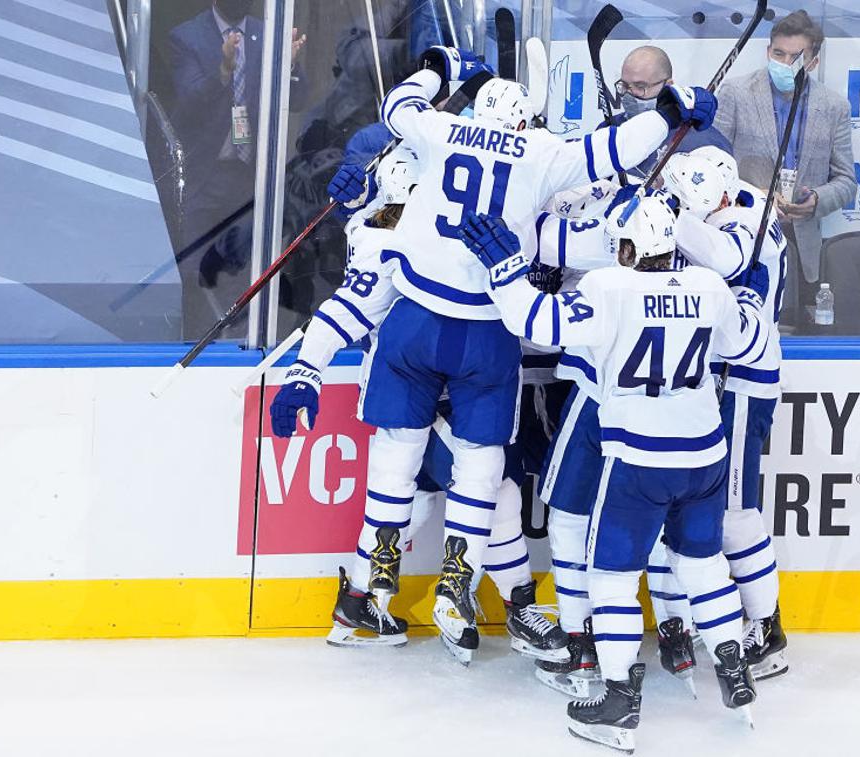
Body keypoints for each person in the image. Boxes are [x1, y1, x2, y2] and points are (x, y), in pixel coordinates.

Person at [357, 46, 718, 663]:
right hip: (487, 327)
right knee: (483, 465)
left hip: (412, 316)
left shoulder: (440, 130)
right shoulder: (542, 153)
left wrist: (441, 68)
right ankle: (458, 578)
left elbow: (397, 106)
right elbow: (609, 154)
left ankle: (379, 563)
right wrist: (666, 112)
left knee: (398, 447)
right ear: (524, 121)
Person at [458, 197, 767, 751]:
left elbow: (536, 321)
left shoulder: (608, 288)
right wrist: (749, 297)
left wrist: (506, 271)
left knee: (613, 578)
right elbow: (741, 342)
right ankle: (732, 666)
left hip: (640, 461)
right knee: (701, 564)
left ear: (625, 248)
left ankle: (620, 700)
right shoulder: (710, 286)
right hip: (704, 455)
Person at [267, 147, 567, 661]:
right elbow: (352, 305)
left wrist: (306, 369)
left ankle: (362, 597)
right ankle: (506, 603)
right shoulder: (399, 235)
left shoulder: (391, 227)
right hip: (439, 383)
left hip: (412, 380)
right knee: (494, 490)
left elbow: (346, 307)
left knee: (417, 489)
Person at [648, 146, 791, 685]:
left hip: (741, 381)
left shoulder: (740, 221)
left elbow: (728, 259)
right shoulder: (734, 197)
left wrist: (672, 214)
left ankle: (766, 626)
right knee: (681, 511)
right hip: (709, 383)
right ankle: (679, 624)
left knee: (733, 512)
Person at [166, 0, 307, 337]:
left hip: (253, 175)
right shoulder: (186, 37)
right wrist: (224, 71)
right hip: (206, 174)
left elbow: (298, 99)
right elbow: (189, 103)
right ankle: (196, 343)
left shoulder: (267, 33)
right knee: (195, 269)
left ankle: (240, 342)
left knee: (246, 269)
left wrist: (287, 67)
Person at [714, 9, 856, 295]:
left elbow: (846, 182)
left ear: (813, 62)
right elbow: (712, 164)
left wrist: (816, 200)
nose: (785, 63)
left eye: (796, 57)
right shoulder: (735, 93)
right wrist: (756, 198)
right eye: (779, 54)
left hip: (801, 244)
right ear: (768, 51)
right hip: (744, 237)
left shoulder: (834, 107)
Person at [604, 45, 733, 179]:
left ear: (668, 85)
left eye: (640, 86)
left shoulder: (706, 142)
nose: (630, 94)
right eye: (624, 86)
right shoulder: (609, 129)